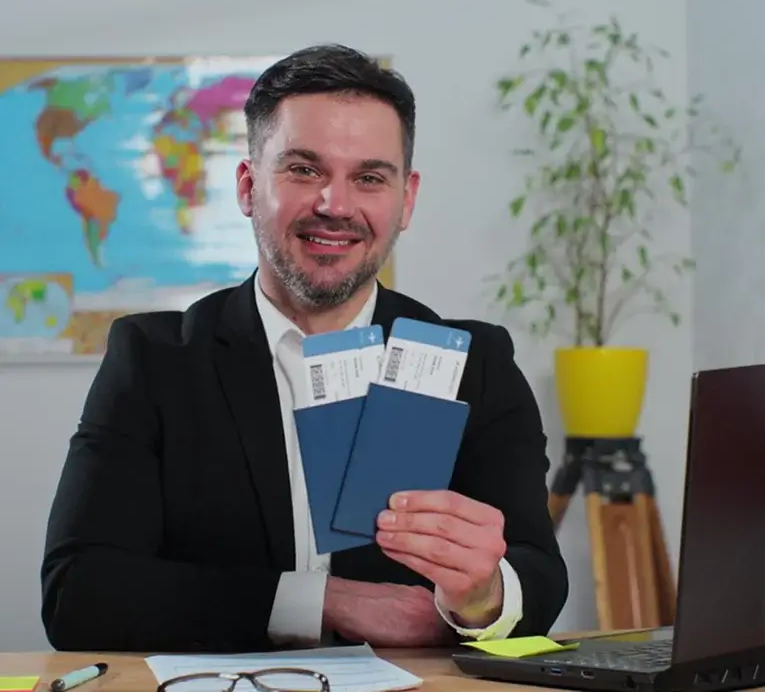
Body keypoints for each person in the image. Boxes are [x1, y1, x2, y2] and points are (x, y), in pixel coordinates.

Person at [41, 44, 568, 653]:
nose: (335, 206)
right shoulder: (154, 361)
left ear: (407, 199)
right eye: (303, 170)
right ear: (247, 185)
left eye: (369, 178)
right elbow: (78, 593)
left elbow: (540, 576)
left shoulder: (476, 363)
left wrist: (482, 597)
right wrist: (322, 599)